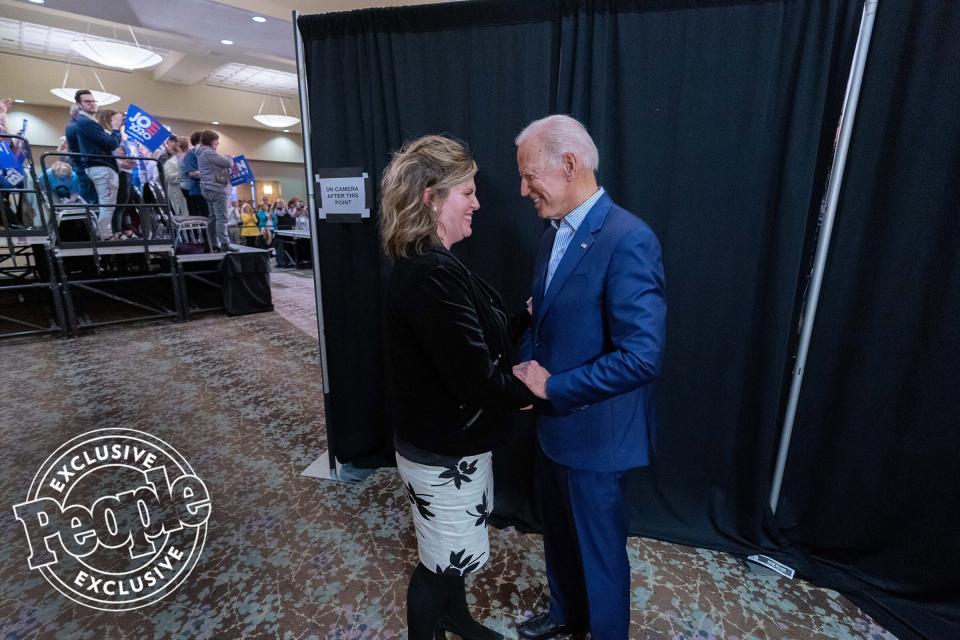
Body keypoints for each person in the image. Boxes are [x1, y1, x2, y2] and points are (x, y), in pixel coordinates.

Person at [511, 115, 667, 640]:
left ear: (570, 165)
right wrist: (530, 373)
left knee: (600, 558)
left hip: (598, 439)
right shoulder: (551, 233)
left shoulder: (629, 239)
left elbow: (642, 357)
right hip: (554, 432)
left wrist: (553, 387)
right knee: (558, 537)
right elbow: (541, 316)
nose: (522, 189)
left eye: (530, 175)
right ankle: (564, 617)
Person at [380, 134, 535, 640]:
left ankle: (457, 618)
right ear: (431, 197)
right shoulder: (429, 274)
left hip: (450, 445)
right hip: (442, 452)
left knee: (452, 553)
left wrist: (520, 322)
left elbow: (471, 347)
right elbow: (477, 379)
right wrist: (536, 390)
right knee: (439, 561)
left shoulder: (433, 263)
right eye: (466, 193)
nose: (478, 202)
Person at [74, 91, 122, 240]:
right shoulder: (85, 121)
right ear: (79, 105)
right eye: (88, 101)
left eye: (94, 101)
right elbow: (111, 143)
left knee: (107, 204)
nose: (92, 103)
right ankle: (104, 236)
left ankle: (103, 234)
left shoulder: (87, 122)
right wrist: (115, 128)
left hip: (99, 166)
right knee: (107, 204)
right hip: (100, 167)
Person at [195, 129, 234, 251]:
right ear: (211, 141)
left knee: (213, 218)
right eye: (216, 143)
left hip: (207, 188)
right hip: (216, 188)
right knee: (222, 218)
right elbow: (227, 163)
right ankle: (225, 244)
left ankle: (214, 243)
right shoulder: (208, 152)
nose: (217, 146)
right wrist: (230, 158)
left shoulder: (201, 152)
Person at [64, 94, 98, 212]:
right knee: (89, 193)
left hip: (79, 162)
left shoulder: (71, 126)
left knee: (86, 190)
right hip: (83, 163)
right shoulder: (77, 126)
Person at [179, 131, 208, 219]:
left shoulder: (201, 154)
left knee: (206, 215)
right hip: (195, 190)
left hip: (203, 189)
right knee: (200, 216)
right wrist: (208, 172)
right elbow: (191, 173)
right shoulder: (191, 155)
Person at [163, 138, 189, 217]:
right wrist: (183, 175)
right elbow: (168, 177)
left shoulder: (188, 161)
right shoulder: (170, 162)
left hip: (189, 193)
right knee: (183, 215)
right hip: (177, 192)